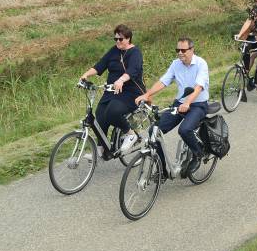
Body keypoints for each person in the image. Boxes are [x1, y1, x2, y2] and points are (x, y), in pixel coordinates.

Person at [135, 37, 210, 178]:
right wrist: (147, 94)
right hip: (179, 104)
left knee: (185, 129)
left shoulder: (201, 64)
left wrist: (187, 103)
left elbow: (198, 87)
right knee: (154, 130)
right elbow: (164, 81)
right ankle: (163, 169)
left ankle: (198, 153)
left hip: (197, 105)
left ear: (192, 50)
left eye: (183, 50)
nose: (180, 53)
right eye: (178, 50)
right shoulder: (176, 64)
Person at [78, 24, 145, 155]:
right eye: (116, 39)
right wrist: (85, 75)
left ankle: (130, 134)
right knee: (100, 116)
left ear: (128, 38)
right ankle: (102, 149)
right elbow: (100, 65)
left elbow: (133, 70)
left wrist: (121, 80)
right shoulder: (114, 50)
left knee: (112, 112)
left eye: (120, 39)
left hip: (130, 92)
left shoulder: (135, 52)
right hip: (112, 91)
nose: (118, 42)